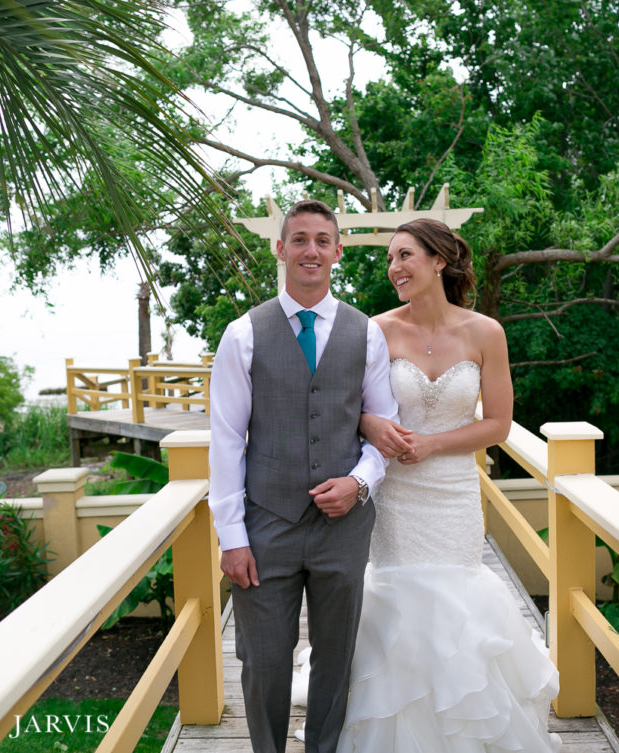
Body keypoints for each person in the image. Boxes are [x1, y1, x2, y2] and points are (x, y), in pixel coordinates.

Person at [337, 218, 563, 751]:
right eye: (390, 259)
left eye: (405, 255)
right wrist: (374, 426)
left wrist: (434, 444)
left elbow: (499, 425)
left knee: (458, 599)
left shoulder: (486, 333)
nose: (394, 268)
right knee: (400, 602)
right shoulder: (378, 331)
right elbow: (349, 408)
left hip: (454, 494)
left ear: (439, 260)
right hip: (396, 499)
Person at [207, 199, 400, 753]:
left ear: (337, 251)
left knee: (336, 659)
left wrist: (358, 483)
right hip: (267, 524)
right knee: (263, 660)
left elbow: (383, 431)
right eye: (299, 240)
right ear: (281, 249)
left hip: (344, 526)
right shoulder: (243, 334)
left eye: (322, 240)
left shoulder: (366, 334)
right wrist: (233, 537)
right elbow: (225, 440)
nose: (310, 250)